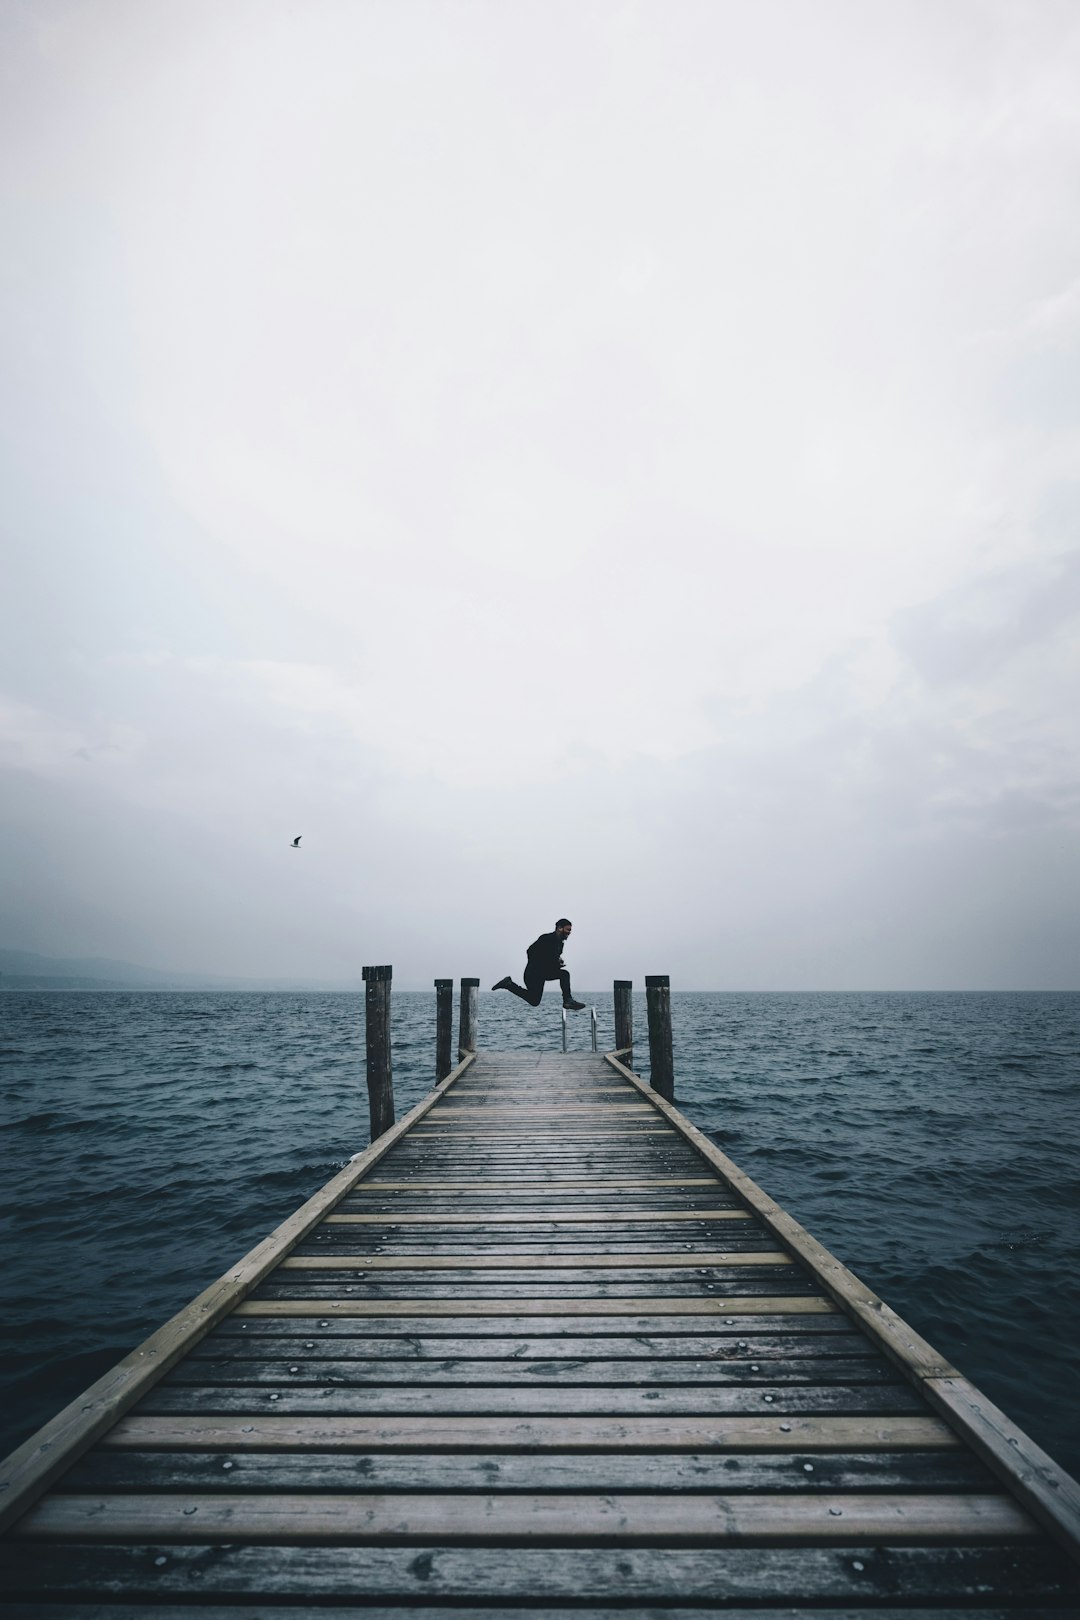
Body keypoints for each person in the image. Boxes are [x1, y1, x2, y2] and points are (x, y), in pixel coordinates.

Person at [492, 918, 586, 1009]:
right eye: (568, 929)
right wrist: (543, 963)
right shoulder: (546, 938)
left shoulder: (560, 944)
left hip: (543, 973)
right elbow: (530, 951)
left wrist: (558, 962)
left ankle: (567, 1001)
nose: (569, 932)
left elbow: (553, 957)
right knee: (535, 1001)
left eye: (570, 930)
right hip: (532, 974)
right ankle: (508, 984)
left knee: (564, 975)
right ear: (560, 928)